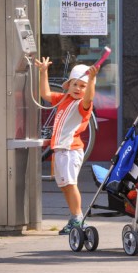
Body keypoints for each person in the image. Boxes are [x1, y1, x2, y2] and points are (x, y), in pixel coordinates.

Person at [35, 58, 100, 235]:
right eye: (75, 84)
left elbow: (89, 98)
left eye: (82, 86)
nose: (78, 89)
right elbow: (46, 94)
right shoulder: (64, 98)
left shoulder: (82, 104)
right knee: (64, 185)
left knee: (70, 184)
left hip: (71, 151)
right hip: (60, 151)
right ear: (68, 85)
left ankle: (79, 218)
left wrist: (92, 80)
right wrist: (43, 72)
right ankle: (74, 218)